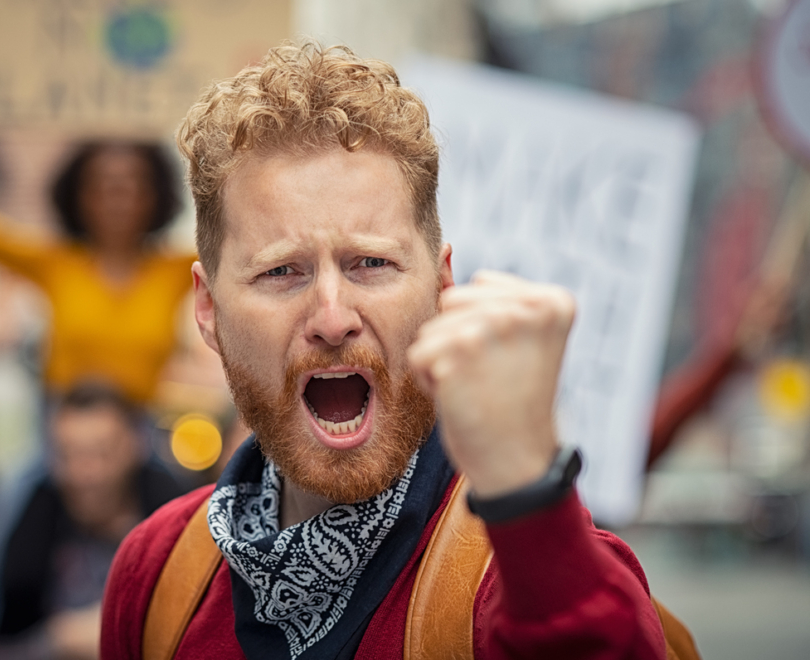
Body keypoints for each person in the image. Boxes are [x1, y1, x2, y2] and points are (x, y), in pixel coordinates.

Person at [101, 43, 699, 660]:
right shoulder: (156, 579)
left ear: (442, 286)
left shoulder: (518, 582)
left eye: (373, 264)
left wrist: (530, 497)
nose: (332, 319)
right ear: (208, 309)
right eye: (281, 271)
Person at [0, 133, 195, 405]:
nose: (117, 199)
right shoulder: (55, 265)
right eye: (102, 186)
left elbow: (232, 240)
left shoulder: (177, 270)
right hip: (62, 430)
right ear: (79, 196)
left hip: (142, 434)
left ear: (155, 195)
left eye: (131, 185)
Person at [0, 383, 185, 659]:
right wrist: (55, 640)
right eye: (68, 455)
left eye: (101, 453)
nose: (84, 473)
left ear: (136, 445)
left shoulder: (177, 524)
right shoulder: (28, 516)